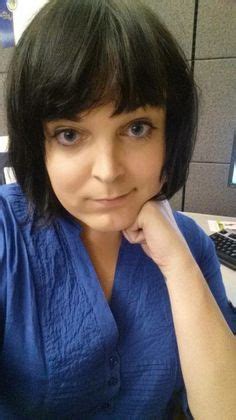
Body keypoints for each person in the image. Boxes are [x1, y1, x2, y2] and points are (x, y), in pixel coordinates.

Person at [0, 0, 235, 418]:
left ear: (170, 133)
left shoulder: (192, 245)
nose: (108, 172)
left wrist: (179, 267)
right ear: (38, 144)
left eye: (136, 128)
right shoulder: (6, 234)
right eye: (70, 134)